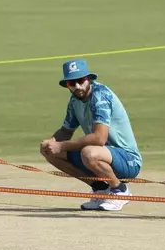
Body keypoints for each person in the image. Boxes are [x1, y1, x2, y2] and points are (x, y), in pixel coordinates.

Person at [40, 58, 142, 211]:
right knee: (52, 153)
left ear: (88, 79)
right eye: (71, 83)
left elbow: (100, 138)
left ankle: (120, 190)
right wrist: (52, 142)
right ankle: (101, 189)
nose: (77, 86)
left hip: (128, 161)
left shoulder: (100, 96)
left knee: (89, 152)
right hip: (101, 157)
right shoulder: (75, 100)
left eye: (81, 80)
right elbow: (66, 131)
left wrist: (61, 145)